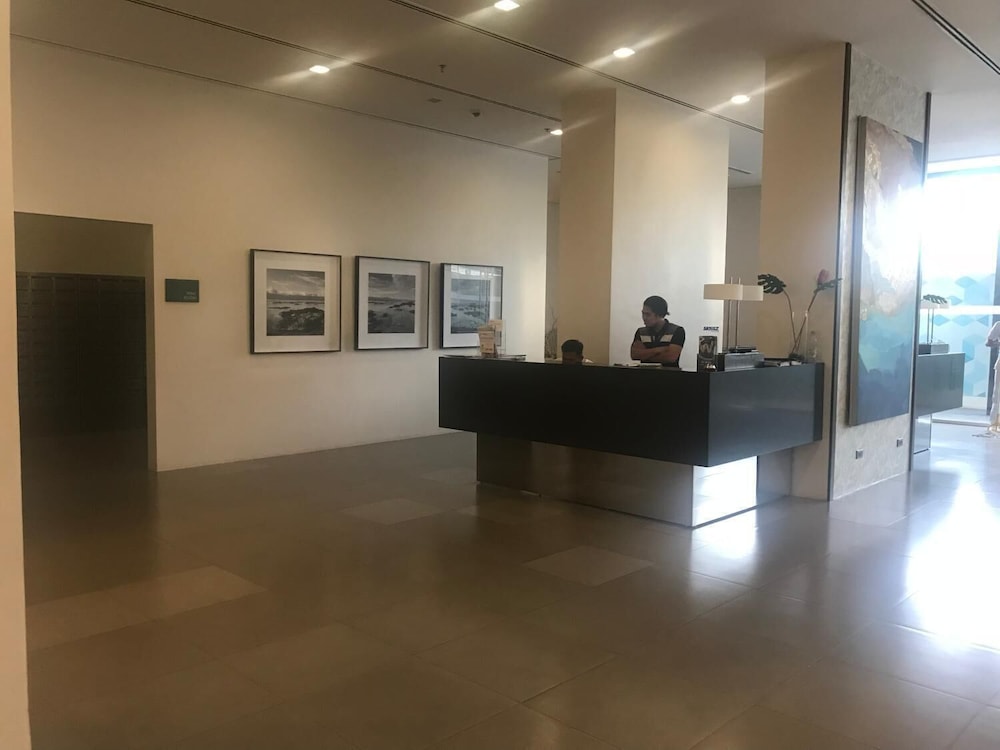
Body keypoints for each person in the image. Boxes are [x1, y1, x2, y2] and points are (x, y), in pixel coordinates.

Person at [630, 295, 685, 367]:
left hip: (669, 373)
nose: (644, 317)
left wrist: (645, 354)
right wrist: (659, 350)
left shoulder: (677, 331)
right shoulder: (641, 332)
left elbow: (670, 357)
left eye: (648, 314)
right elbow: (635, 355)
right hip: (645, 373)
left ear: (659, 315)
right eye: (643, 313)